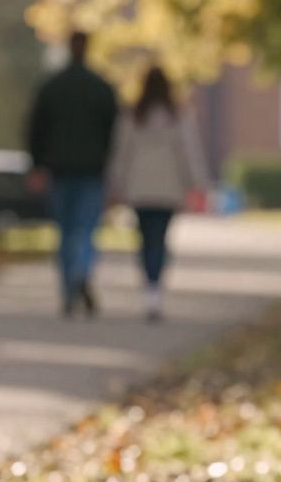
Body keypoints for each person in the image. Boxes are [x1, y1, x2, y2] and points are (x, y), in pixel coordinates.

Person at [106, 65, 210, 322]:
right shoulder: (177, 116)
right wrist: (198, 184)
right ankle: (155, 287)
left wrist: (115, 185)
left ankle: (150, 284)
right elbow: (189, 154)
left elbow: (121, 154)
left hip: (139, 189)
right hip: (167, 190)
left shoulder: (133, 116)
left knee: (145, 240)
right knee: (160, 240)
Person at [28, 30, 118, 318]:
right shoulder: (101, 88)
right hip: (91, 169)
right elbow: (114, 133)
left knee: (65, 230)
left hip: (59, 169)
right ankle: (82, 269)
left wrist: (37, 164)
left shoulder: (52, 87)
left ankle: (69, 285)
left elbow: (35, 129)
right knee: (87, 228)